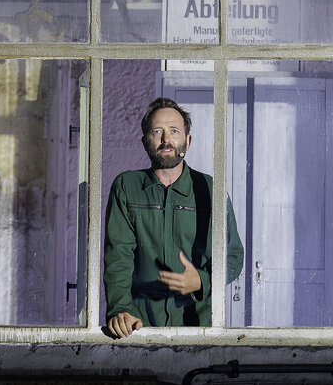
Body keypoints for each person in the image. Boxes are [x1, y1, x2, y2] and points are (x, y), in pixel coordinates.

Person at [104, 97, 244, 338]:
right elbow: (118, 258)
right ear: (145, 141)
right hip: (138, 326)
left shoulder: (211, 190)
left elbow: (232, 256)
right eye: (157, 131)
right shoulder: (126, 187)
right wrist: (120, 309)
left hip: (199, 326)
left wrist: (201, 281)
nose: (166, 139)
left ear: (187, 141)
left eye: (174, 131)